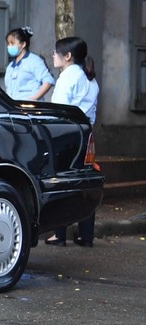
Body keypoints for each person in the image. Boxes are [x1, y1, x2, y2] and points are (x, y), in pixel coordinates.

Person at [45, 36, 100, 247]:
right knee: (85, 181)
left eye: (56, 53)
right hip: (86, 133)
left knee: (61, 180)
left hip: (66, 133)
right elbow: (92, 113)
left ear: (67, 56)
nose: (53, 56)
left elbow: (58, 111)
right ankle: (86, 236)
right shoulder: (90, 78)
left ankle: (59, 234)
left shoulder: (68, 77)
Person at [3, 26, 55, 101]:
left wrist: (34, 99)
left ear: (23, 44)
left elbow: (48, 80)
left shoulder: (34, 61)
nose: (9, 46)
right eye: (8, 44)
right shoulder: (10, 66)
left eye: (12, 43)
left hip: (30, 108)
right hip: (14, 107)